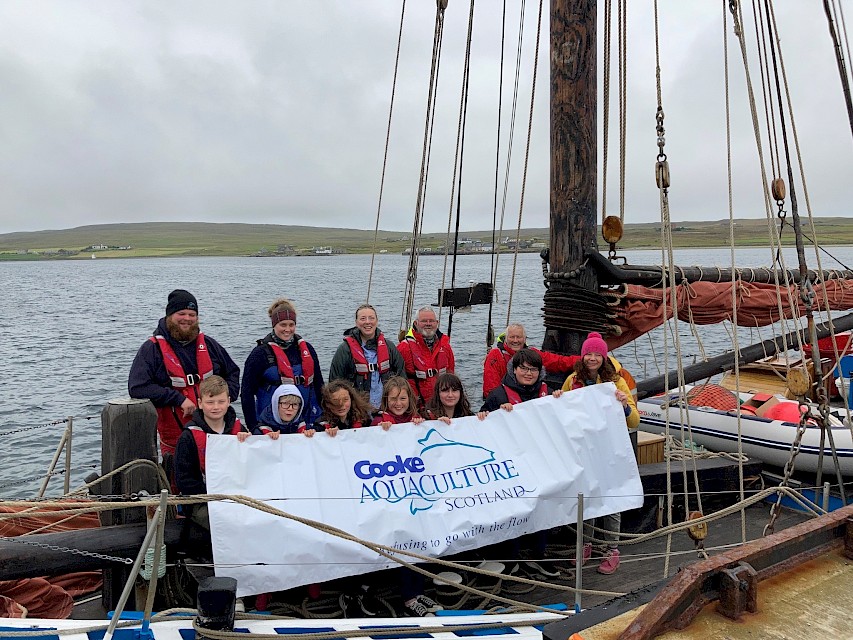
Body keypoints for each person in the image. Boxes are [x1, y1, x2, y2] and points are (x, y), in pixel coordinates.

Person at [554, 331, 640, 576]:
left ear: (604, 357)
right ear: (583, 356)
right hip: (585, 449)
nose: (592, 358)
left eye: (597, 354)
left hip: (610, 448)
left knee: (612, 499)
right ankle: (586, 544)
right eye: (588, 353)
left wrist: (624, 405)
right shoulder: (572, 381)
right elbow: (562, 414)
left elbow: (635, 421)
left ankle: (612, 549)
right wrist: (559, 398)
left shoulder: (617, 382)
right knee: (587, 498)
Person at [129, 289, 240, 461]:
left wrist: (223, 399)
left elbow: (232, 372)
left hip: (216, 434)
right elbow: (138, 387)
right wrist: (177, 399)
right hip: (176, 436)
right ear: (169, 316)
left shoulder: (210, 345)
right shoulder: (152, 349)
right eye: (181, 313)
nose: (187, 318)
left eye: (192, 314)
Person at [174, 375, 250, 532]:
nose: (216, 407)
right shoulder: (188, 436)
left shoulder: (239, 430)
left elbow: (252, 466)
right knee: (225, 521)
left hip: (236, 496)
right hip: (201, 501)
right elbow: (184, 480)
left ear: (229, 401)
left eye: (221, 402)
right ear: (200, 404)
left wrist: (249, 444)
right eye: (210, 402)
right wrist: (214, 492)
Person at [241, 299, 324, 431]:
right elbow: (247, 393)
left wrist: (324, 418)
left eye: (291, 324)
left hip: (306, 421)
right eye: (283, 325)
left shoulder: (308, 349)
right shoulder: (260, 354)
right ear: (274, 325)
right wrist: (253, 427)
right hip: (271, 425)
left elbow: (319, 384)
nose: (287, 329)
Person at [329, 304, 405, 409]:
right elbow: (334, 383)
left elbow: (402, 379)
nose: (367, 322)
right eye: (363, 319)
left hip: (386, 409)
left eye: (371, 318)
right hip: (358, 410)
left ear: (377, 321)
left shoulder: (389, 347)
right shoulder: (344, 350)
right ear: (356, 322)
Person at [482, 323, 578, 398]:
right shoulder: (496, 355)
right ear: (505, 339)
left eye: (519, 337)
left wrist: (584, 360)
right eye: (512, 337)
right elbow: (490, 388)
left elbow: (557, 362)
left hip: (527, 399)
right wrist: (501, 402)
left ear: (524, 339)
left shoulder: (532, 354)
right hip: (504, 404)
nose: (515, 340)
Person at [397, 306, 456, 408]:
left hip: (441, 405)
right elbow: (396, 381)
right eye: (424, 321)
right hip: (415, 407)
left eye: (431, 321)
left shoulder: (445, 346)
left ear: (437, 323)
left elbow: (451, 374)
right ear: (416, 323)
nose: (428, 324)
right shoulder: (404, 348)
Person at [480, 348, 549, 412]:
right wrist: (499, 411)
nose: (529, 373)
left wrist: (558, 398)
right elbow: (483, 419)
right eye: (524, 369)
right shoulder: (497, 396)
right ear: (514, 369)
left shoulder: (549, 394)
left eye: (533, 369)